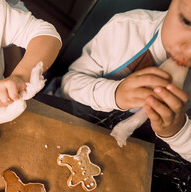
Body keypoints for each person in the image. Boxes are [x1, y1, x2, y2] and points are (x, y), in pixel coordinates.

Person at [61, 0, 191, 161]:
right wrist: (114, 94)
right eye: (187, 21)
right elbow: (68, 84)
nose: (189, 50)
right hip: (75, 122)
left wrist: (178, 132)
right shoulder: (125, 29)